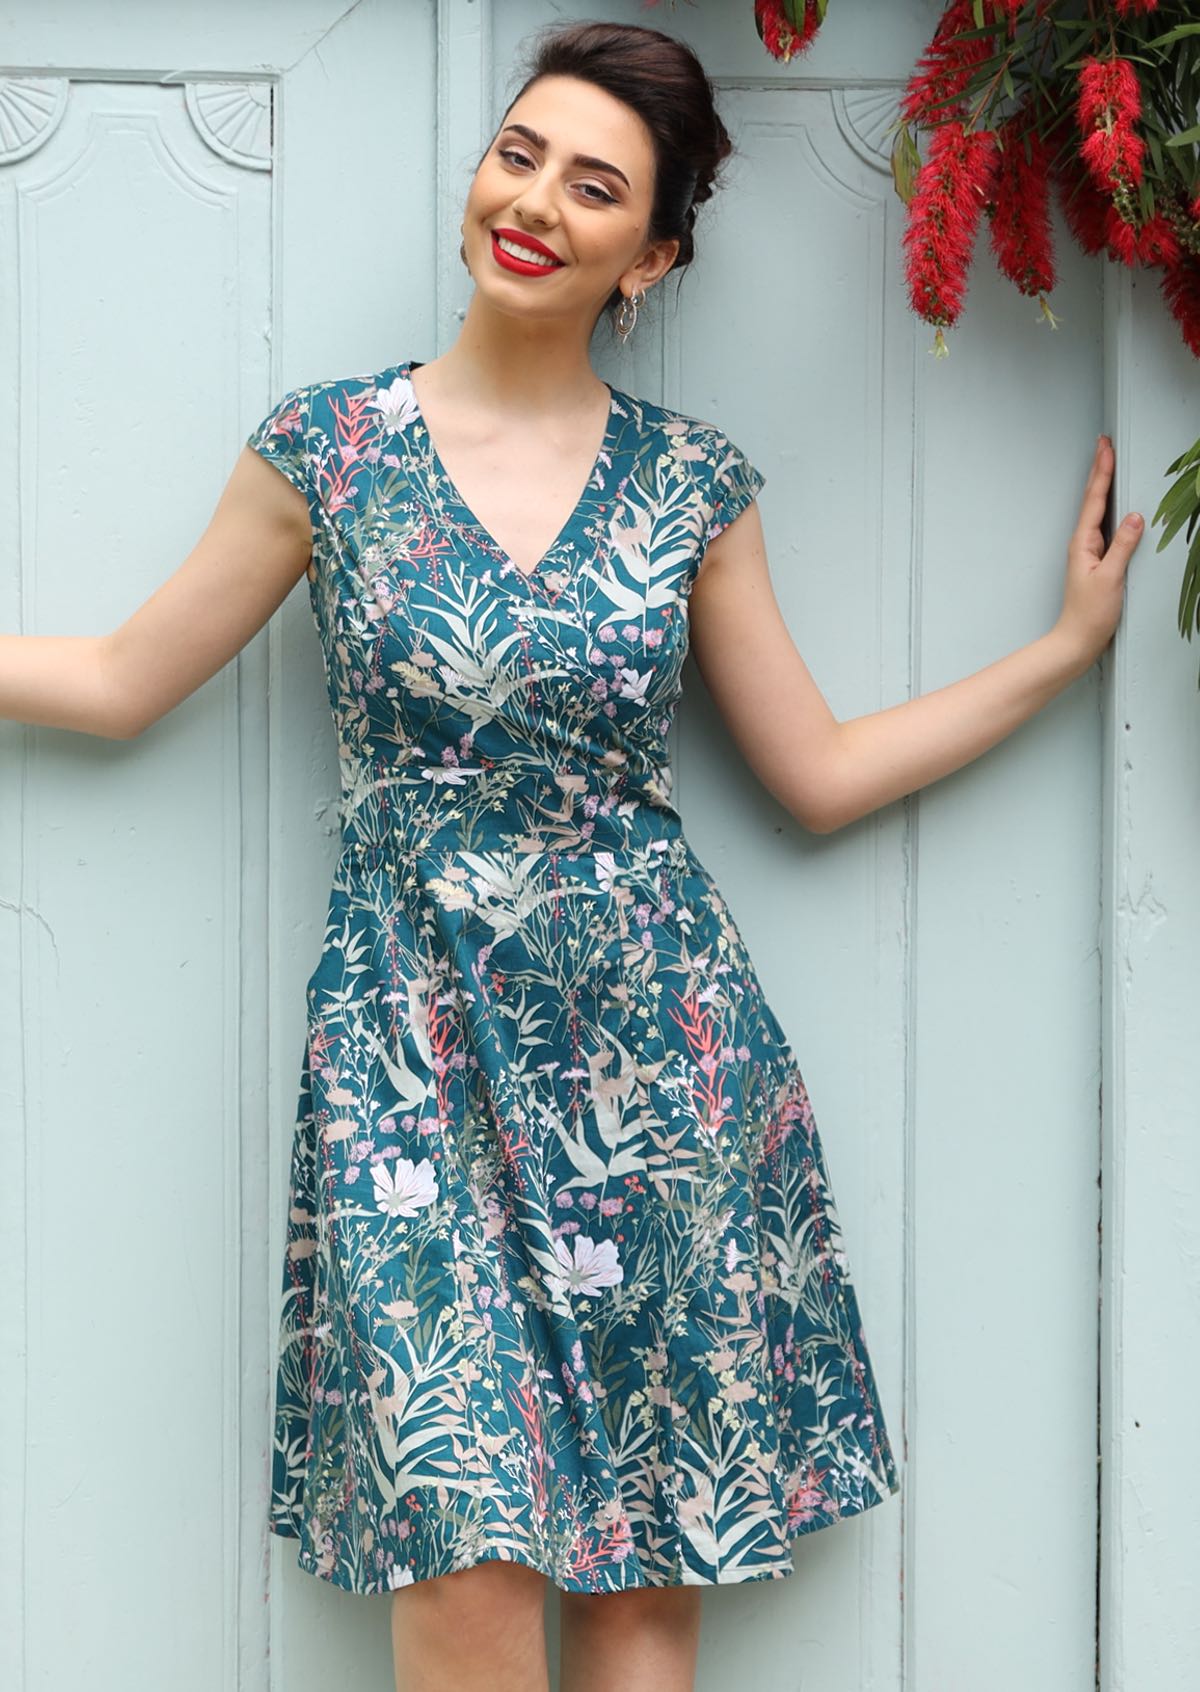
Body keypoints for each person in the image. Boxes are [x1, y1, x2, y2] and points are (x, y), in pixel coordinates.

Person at [0, 18, 1142, 1692]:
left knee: (636, 1573)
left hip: (655, 1059)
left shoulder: (692, 485)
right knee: (454, 1553)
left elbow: (814, 773)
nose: (533, 199)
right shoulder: (328, 451)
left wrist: (1057, 655)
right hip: (408, 1057)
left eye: (594, 186)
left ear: (653, 253)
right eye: (518, 153)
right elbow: (112, 682)